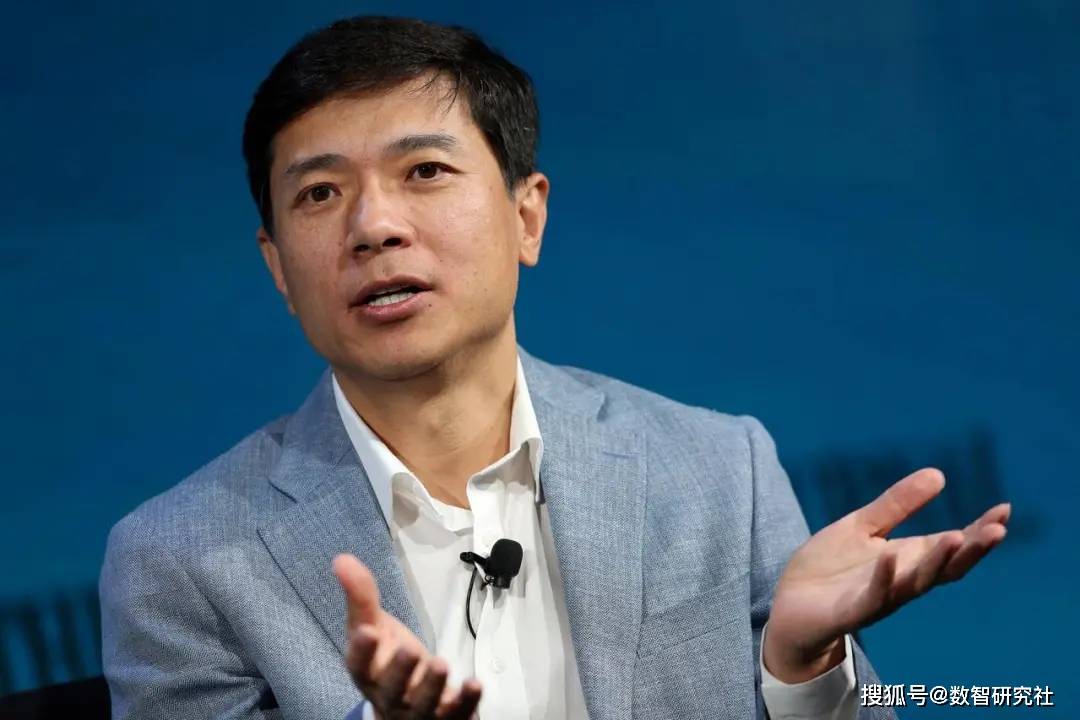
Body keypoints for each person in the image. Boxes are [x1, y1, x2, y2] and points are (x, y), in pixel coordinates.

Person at [98, 15, 1010, 720]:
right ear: (276, 268)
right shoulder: (182, 561)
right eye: (320, 192)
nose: (373, 226)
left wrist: (801, 672)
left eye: (424, 172)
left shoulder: (716, 469)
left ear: (526, 217)